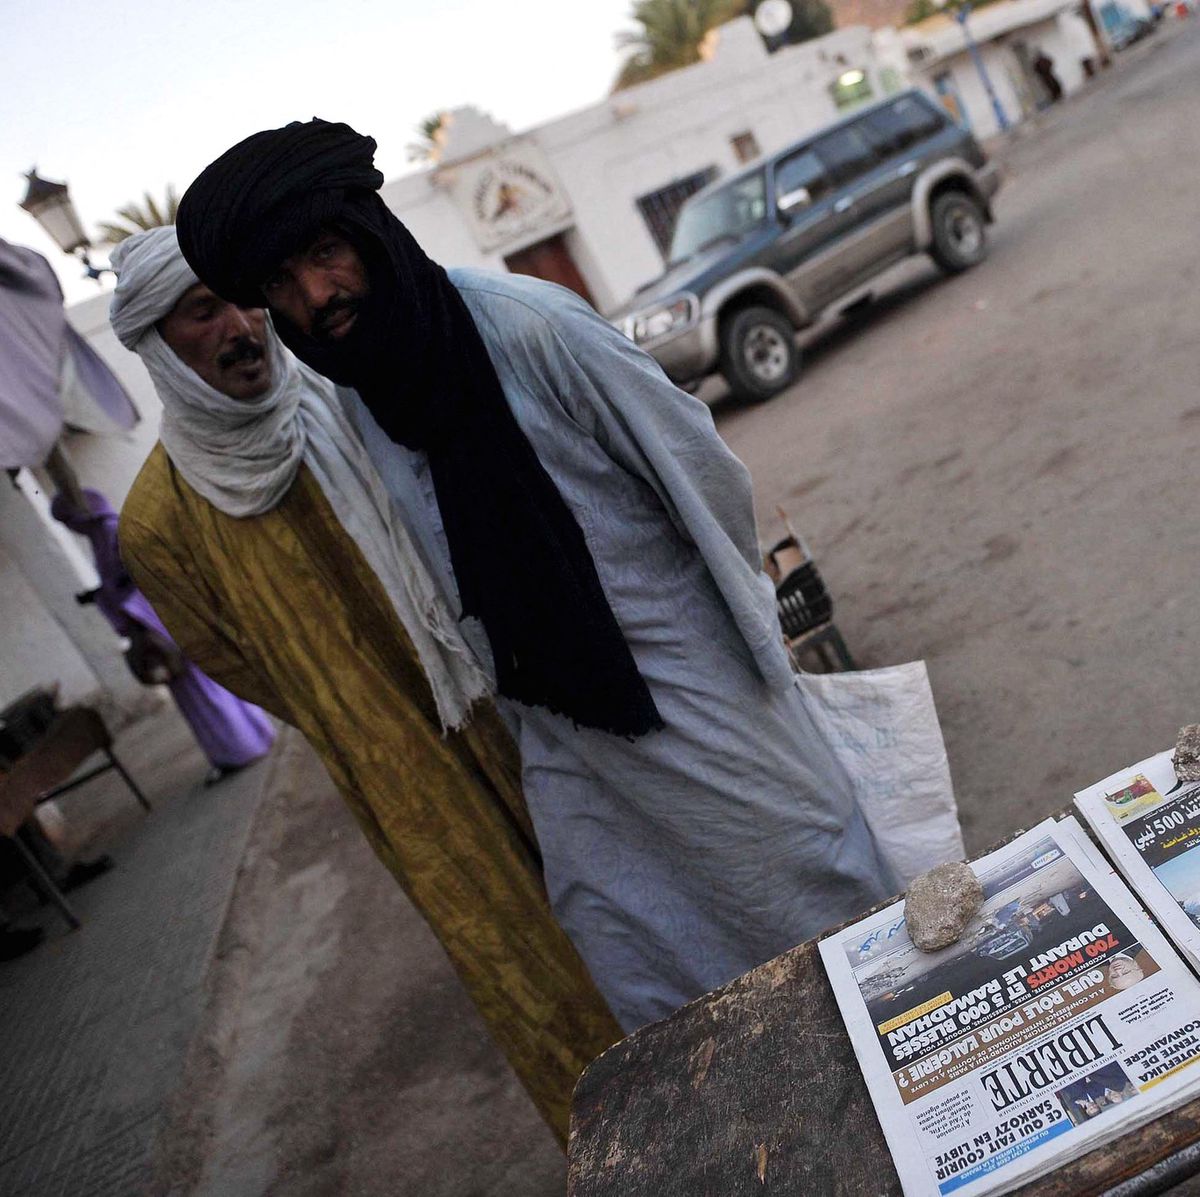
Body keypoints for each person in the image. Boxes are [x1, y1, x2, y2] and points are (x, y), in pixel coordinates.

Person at [174, 119, 896, 1033]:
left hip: (693, 697)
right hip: (562, 741)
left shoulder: (533, 329)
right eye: (280, 284)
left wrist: (759, 667)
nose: (316, 295)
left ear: (371, 233)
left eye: (324, 254)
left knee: (837, 925)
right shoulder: (360, 395)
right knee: (662, 981)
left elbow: (702, 479)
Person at [112, 226, 620, 1144]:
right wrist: (360, 715)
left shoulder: (345, 397)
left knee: (635, 902)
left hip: (519, 700)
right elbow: (239, 662)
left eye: (241, 300)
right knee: (527, 970)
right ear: (159, 343)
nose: (241, 327)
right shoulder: (157, 526)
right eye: (202, 313)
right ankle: (633, 1151)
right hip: (404, 784)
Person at [50, 487, 276, 783]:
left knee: (201, 689)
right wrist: (102, 595)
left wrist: (125, 608)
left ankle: (239, 749)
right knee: (204, 685)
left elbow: (143, 577)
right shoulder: (104, 535)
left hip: (156, 622)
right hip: (157, 620)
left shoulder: (111, 532)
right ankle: (250, 739)